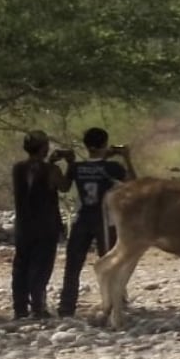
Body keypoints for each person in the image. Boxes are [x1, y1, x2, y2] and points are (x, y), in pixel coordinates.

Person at [57, 127, 134, 318]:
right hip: (105, 220)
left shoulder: (77, 168)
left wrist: (69, 163)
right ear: (105, 144)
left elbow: (65, 187)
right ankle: (115, 302)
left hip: (82, 219)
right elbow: (133, 184)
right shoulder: (113, 168)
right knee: (111, 262)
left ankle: (66, 306)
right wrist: (126, 158)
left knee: (73, 264)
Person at [10, 131, 68, 320]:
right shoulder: (51, 171)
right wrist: (70, 164)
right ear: (44, 148)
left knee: (21, 266)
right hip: (46, 225)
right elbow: (64, 186)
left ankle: (20, 308)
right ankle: (38, 307)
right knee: (41, 266)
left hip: (23, 225)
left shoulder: (18, 168)